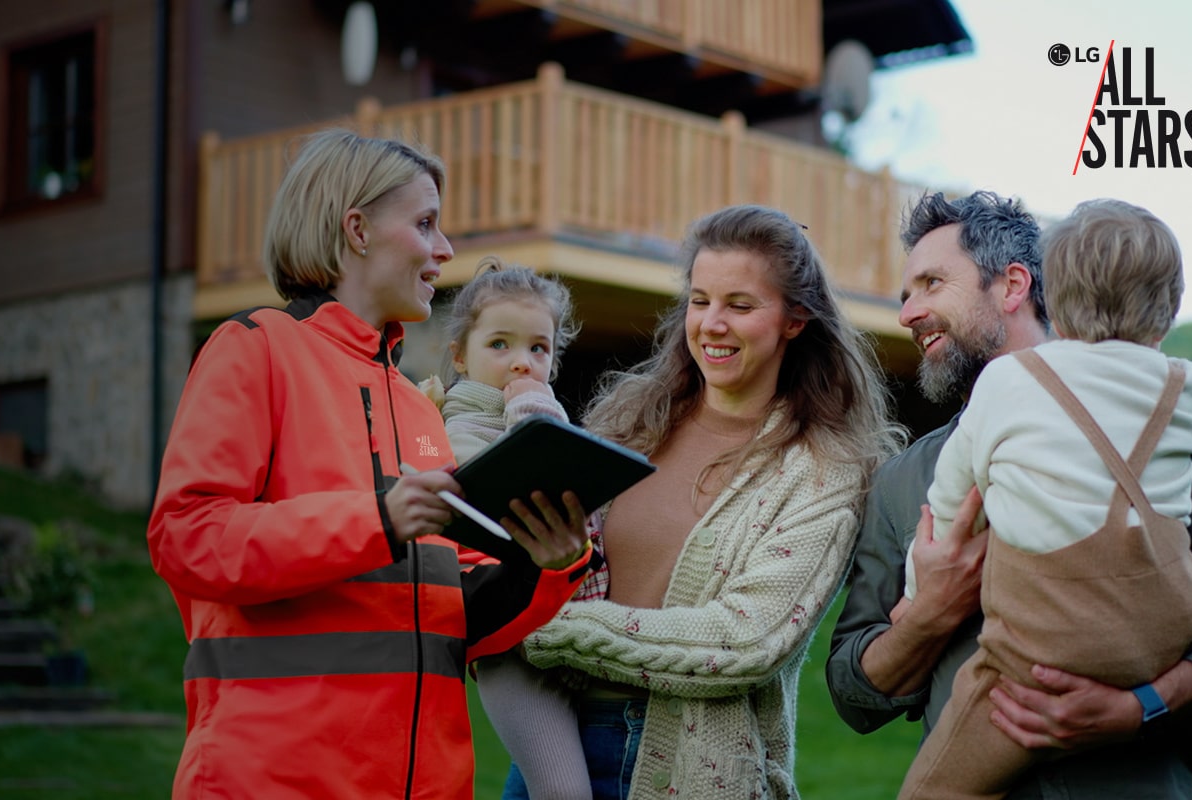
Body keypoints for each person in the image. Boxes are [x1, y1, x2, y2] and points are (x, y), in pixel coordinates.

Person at [147, 129, 596, 799]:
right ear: (356, 229)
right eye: (425, 224)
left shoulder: (418, 407)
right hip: (271, 783)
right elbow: (187, 537)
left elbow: (459, 621)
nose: (445, 250)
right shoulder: (253, 348)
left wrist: (546, 566)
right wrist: (377, 521)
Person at [826, 190, 1192, 799]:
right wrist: (930, 613)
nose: (908, 314)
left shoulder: (1152, 431)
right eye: (906, 295)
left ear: (1012, 286)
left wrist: (1144, 705)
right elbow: (852, 694)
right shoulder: (903, 480)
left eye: (931, 284)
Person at [508, 204, 904, 799]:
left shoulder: (826, 470)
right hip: (549, 737)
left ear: (795, 319)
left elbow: (745, 641)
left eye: (740, 306)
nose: (712, 324)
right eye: (700, 301)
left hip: (689, 764)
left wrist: (542, 628)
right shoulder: (630, 421)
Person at [422, 255, 601, 800]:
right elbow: (534, 484)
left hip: (571, 632)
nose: (522, 363)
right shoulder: (457, 427)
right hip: (513, 650)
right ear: (460, 355)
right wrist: (532, 409)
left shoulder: (529, 412)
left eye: (538, 349)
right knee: (564, 792)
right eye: (500, 344)